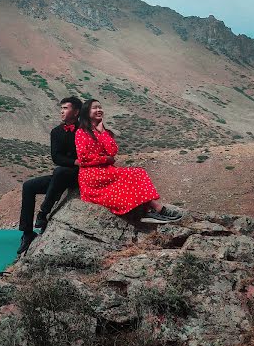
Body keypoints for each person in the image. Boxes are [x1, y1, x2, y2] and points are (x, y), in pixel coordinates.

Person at [75, 98, 182, 223]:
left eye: (100, 107)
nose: (99, 110)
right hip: (91, 175)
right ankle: (154, 210)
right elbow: (83, 158)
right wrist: (106, 159)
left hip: (105, 170)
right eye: (94, 108)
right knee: (134, 174)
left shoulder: (103, 131)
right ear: (86, 112)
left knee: (138, 173)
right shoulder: (81, 132)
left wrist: (102, 132)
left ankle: (150, 210)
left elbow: (112, 151)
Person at [17, 96, 82, 254]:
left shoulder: (85, 129)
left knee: (59, 171)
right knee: (28, 186)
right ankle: (27, 233)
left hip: (80, 175)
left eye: (65, 108)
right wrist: (74, 161)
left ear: (76, 111)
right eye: (61, 108)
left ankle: (43, 213)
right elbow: (56, 157)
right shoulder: (56, 132)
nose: (61, 111)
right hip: (65, 172)